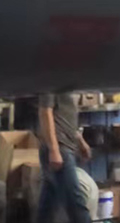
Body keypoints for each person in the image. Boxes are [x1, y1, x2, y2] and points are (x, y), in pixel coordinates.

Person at [37, 92, 92, 223]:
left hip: (66, 146)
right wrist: (54, 150)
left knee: (48, 206)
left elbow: (67, 114)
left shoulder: (67, 84)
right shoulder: (51, 83)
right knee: (75, 203)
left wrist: (80, 141)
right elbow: (45, 112)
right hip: (60, 148)